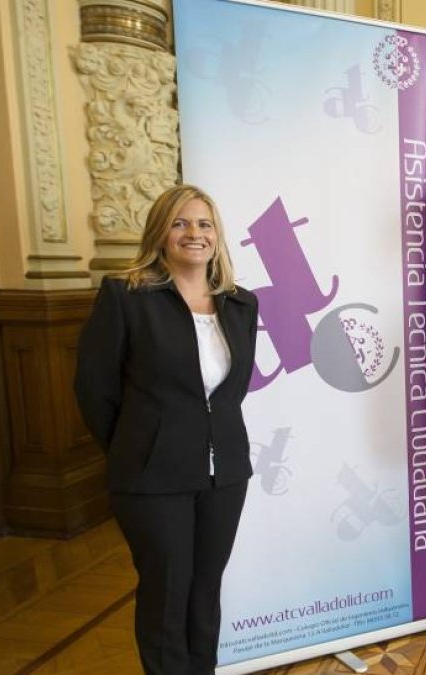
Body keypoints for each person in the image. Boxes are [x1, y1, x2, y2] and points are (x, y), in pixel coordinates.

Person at [74, 184, 259, 674]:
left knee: (205, 590)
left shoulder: (241, 304)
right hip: (151, 477)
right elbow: (95, 390)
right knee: (166, 593)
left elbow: (230, 392)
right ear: (160, 233)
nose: (193, 234)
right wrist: (136, 448)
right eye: (180, 223)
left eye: (203, 224)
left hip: (225, 474)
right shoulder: (127, 296)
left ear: (217, 236)